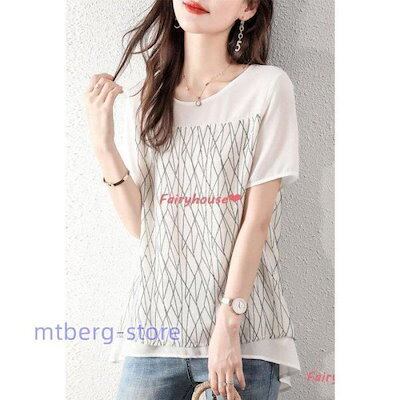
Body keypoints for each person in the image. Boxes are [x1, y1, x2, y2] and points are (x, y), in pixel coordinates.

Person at [84, 1, 301, 399]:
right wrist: (104, 146)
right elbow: (145, 227)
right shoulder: (148, 97)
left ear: (248, 8)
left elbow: (256, 221)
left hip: (243, 340)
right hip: (154, 334)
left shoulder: (267, 87)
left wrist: (228, 324)